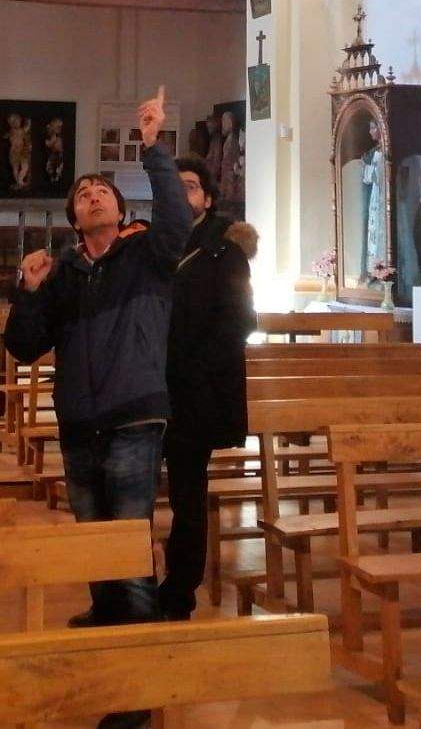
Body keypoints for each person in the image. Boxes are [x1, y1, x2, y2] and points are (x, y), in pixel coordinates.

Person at [8, 87, 188, 650]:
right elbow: (23, 346)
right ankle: (108, 623)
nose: (92, 197)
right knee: (92, 533)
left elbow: (178, 217)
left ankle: (137, 656)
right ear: (73, 217)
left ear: (119, 207)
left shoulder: (147, 256)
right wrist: (29, 292)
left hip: (135, 413)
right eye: (82, 194)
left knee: (129, 534)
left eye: (101, 191)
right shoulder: (60, 272)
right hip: (81, 420)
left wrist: (153, 146)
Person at [156, 155, 256, 622]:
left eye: (191, 187)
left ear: (208, 199)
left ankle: (179, 590)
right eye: (174, 187)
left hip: (192, 393)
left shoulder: (223, 251)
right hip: (146, 388)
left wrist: (190, 367)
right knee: (132, 496)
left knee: (187, 498)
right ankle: (129, 585)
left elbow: (238, 321)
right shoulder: (147, 244)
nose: (182, 194)